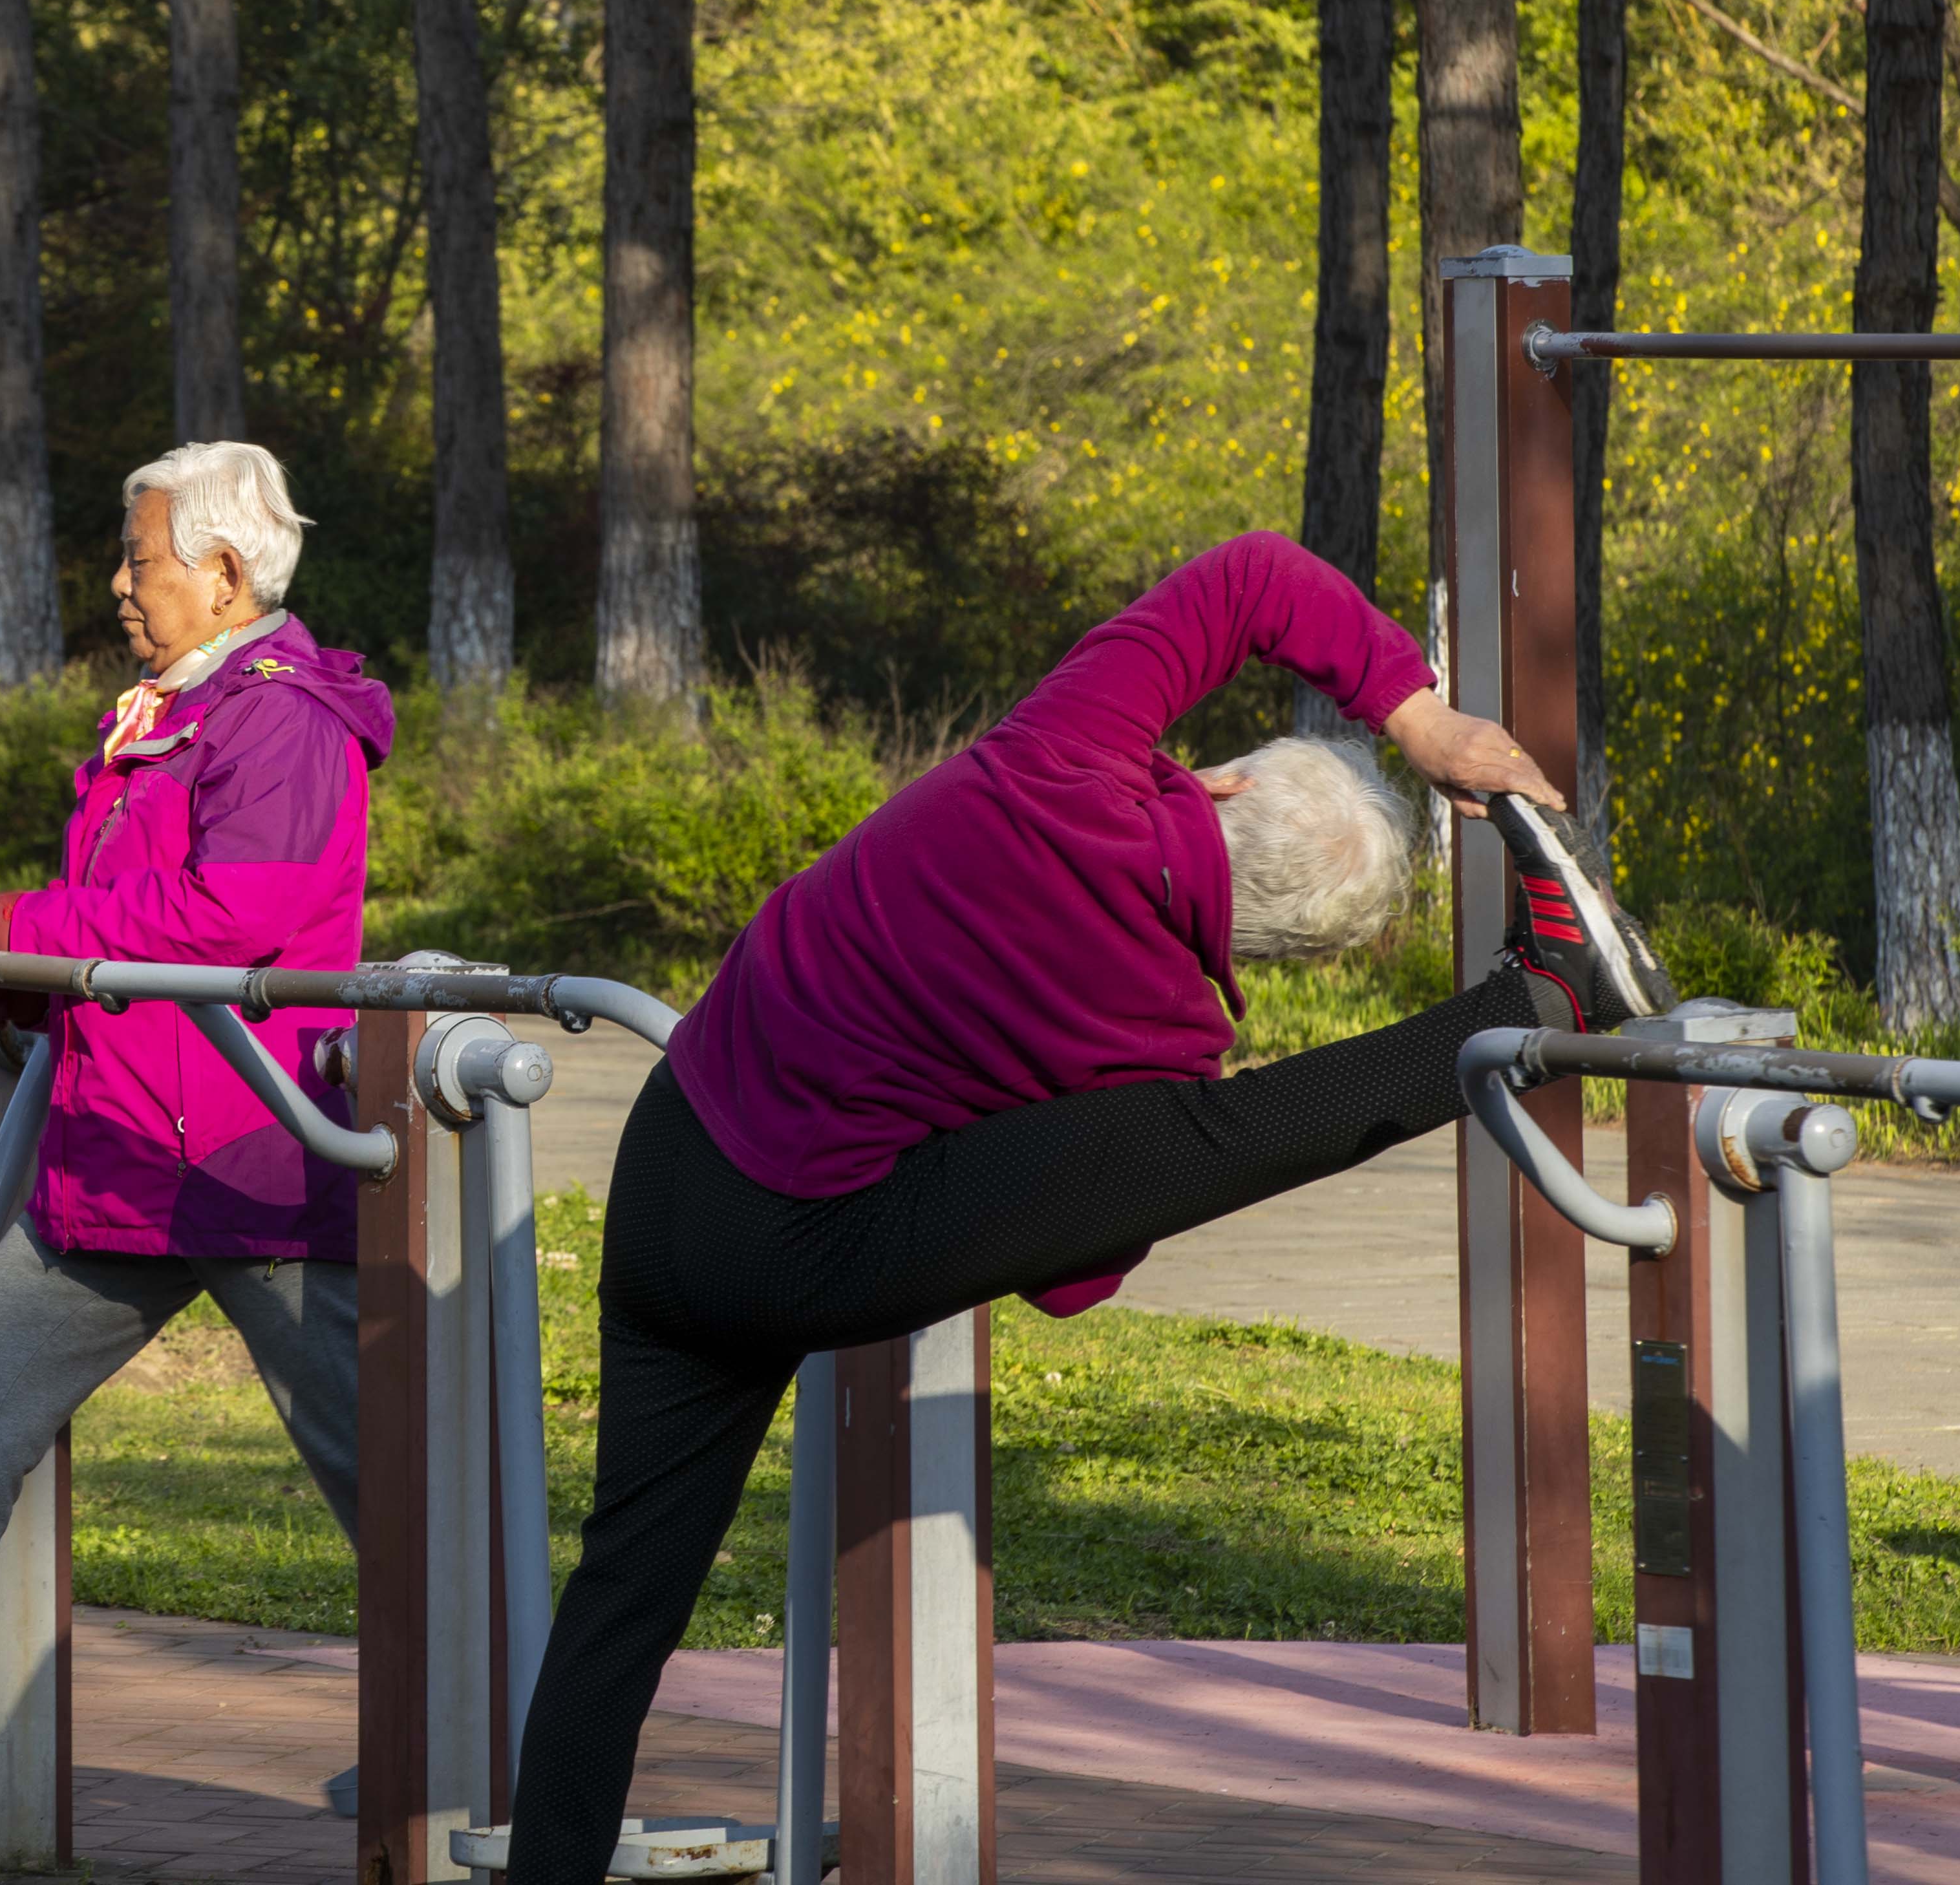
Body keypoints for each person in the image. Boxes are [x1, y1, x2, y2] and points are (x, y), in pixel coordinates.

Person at [501, 530, 1675, 1881]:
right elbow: (1068, 1274)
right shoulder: (1165, 1036)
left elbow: (1251, 576)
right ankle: (1532, 1002)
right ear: (1280, 952)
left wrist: (1417, 713)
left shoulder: (1065, 742)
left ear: (1221, 780)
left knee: (622, 1604)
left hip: (669, 1163)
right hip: (808, 1250)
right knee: (1190, 1139)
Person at [0, 440, 394, 1736]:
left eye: (141, 560)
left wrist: (37, 930)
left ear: (227, 575)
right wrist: (37, 974)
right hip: (126, 1148)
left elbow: (234, 913)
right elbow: (151, 919)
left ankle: (521, 1721)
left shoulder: (284, 720)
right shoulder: (179, 709)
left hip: (252, 1156)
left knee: (381, 1470)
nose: (121, 586)